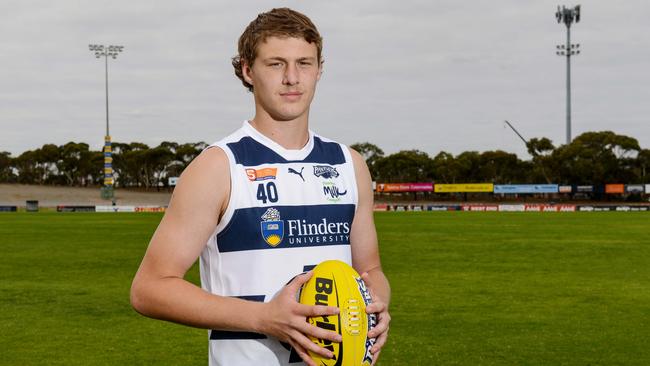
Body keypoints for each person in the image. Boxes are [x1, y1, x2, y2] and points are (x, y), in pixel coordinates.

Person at [130, 7, 390, 366]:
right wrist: (265, 318)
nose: (292, 78)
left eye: (304, 63)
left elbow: (371, 272)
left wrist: (373, 308)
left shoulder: (349, 165)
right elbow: (150, 288)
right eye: (275, 64)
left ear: (320, 70)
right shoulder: (219, 167)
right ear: (247, 70)